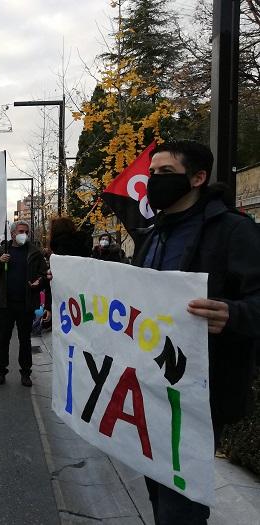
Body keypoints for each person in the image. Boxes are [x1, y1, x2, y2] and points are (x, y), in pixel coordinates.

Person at [133, 140, 260, 525]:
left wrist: (232, 314)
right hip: (152, 386)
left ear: (198, 177)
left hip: (201, 394)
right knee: (157, 489)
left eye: (166, 173)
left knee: (180, 506)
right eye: (152, 173)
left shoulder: (233, 232)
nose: (154, 180)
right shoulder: (152, 236)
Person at [0, 221, 48, 387]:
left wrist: (39, 282)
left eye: (26, 232)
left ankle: (26, 373)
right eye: (21, 231)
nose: (24, 234)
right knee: (3, 339)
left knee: (25, 340)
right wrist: (0, 261)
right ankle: (1, 371)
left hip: (25, 304)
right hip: (5, 304)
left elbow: (44, 275)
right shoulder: (2, 251)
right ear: (13, 233)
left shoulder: (34, 252)